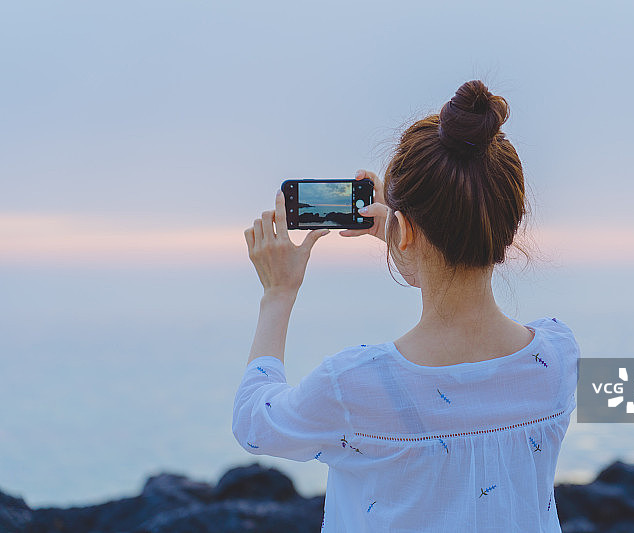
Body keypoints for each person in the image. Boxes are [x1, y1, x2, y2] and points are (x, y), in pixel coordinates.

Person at [234, 80, 580, 532]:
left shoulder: (355, 385)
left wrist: (277, 295)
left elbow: (254, 422)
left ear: (405, 229)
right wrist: (404, 233)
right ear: (510, 227)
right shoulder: (556, 359)